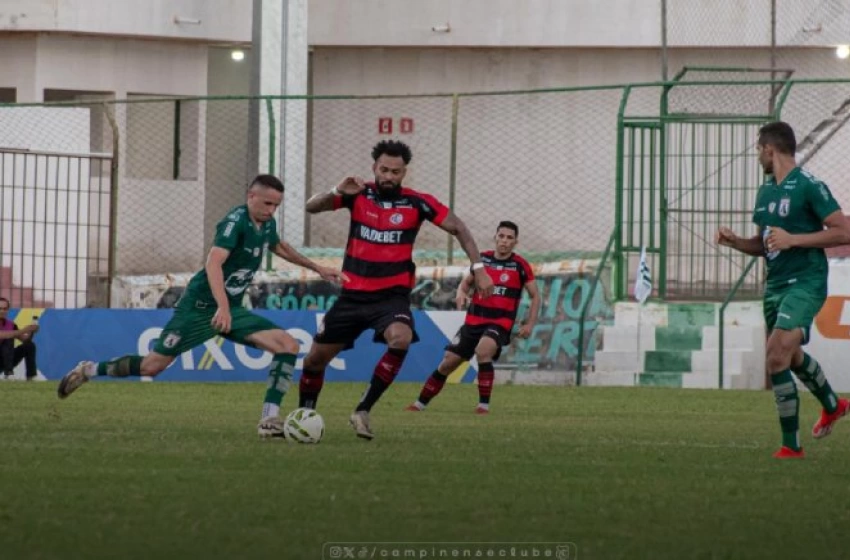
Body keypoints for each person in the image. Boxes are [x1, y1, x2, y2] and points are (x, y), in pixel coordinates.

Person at [56, 175, 346, 437]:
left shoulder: (266, 223)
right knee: (152, 366)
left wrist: (317, 267)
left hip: (229, 307)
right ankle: (89, 370)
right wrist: (222, 307)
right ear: (250, 196)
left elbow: (279, 246)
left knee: (288, 345)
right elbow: (213, 263)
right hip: (199, 307)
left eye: (276, 205)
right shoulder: (234, 222)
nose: (271, 210)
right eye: (267, 203)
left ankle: (269, 419)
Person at [301, 140, 494, 440]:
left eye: (396, 172)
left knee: (401, 339)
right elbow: (311, 206)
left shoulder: (417, 202)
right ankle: (306, 416)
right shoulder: (356, 193)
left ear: (405, 173)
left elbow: (459, 228)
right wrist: (336, 191)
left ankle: (363, 409)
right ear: (373, 168)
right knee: (314, 360)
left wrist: (478, 268)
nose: (389, 176)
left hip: (390, 297)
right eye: (384, 170)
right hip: (352, 296)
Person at [715, 121, 850, 459]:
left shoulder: (808, 186)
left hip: (806, 281)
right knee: (789, 356)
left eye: (758, 149)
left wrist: (795, 240)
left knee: (775, 356)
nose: (757, 155)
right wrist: (735, 243)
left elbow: (843, 231)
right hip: (775, 285)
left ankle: (791, 447)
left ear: (769, 149)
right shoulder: (766, 191)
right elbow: (767, 246)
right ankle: (833, 405)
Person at [406, 221, 541, 414]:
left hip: (500, 323)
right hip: (473, 322)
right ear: (495, 237)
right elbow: (466, 283)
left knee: (483, 350)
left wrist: (530, 324)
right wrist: (461, 292)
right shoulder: (482, 260)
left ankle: (483, 407)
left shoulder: (520, 266)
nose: (504, 241)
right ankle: (419, 404)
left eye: (509, 238)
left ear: (515, 242)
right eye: (501, 236)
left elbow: (535, 295)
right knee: (447, 363)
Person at [0, 298, 39, 380]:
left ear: (8, 310)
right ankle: (8, 373)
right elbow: (3, 335)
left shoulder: (11, 325)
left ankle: (31, 377)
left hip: (5, 359)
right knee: (8, 338)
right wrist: (24, 330)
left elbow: (25, 340)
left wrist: (31, 331)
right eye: (0, 308)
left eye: (5, 309)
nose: (2, 311)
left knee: (30, 345)